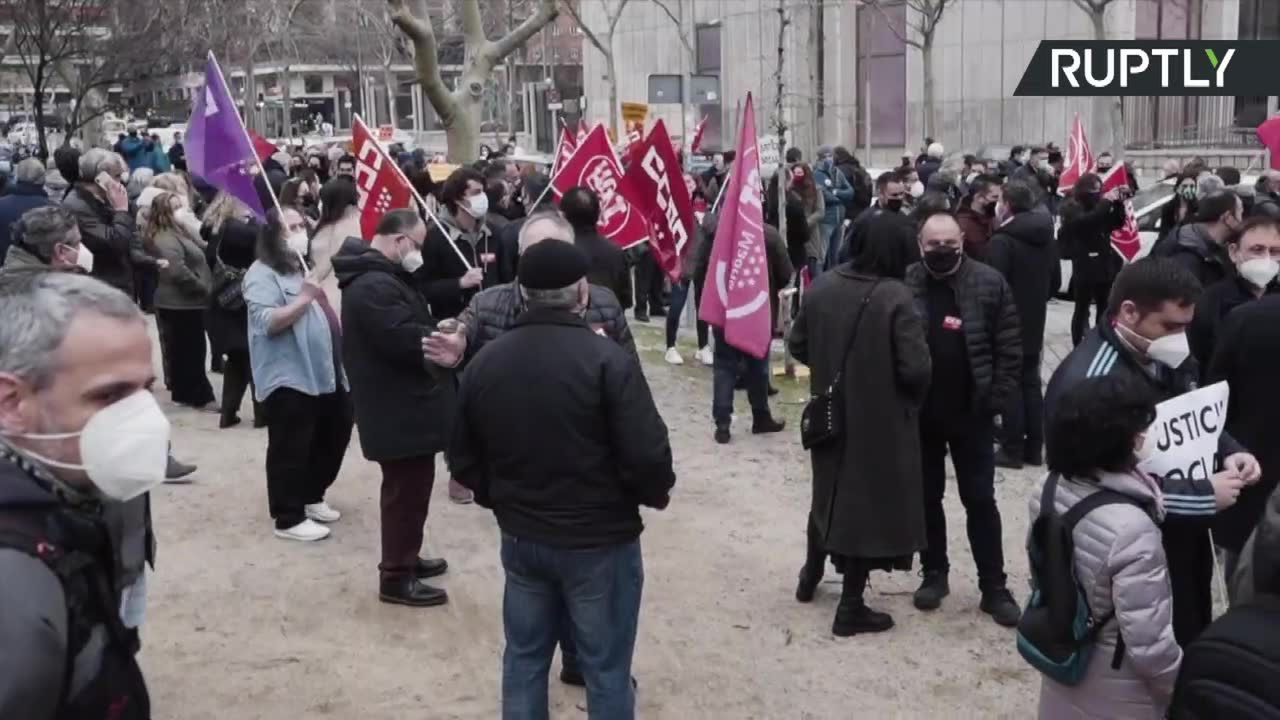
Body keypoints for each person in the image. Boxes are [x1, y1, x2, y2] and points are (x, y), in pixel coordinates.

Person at [449, 238, 675, 720]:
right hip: (599, 541)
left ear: (522, 294)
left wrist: (502, 499)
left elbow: (462, 457)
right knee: (606, 668)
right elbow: (646, 451)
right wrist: (651, 494)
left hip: (525, 536)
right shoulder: (605, 359)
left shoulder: (485, 362)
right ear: (581, 294)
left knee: (525, 660)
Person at [1044, 257, 1261, 646]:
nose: (1181, 338)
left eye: (1186, 326)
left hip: (1184, 538)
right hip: (1136, 551)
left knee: (1191, 623)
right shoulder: (1091, 385)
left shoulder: (1164, 353)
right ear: (1129, 312)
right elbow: (1095, 488)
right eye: (1171, 326)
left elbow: (1191, 408)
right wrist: (1202, 497)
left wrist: (1227, 449)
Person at [0, 272, 157, 718]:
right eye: (111, 395)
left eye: (146, 390)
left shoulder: (72, 491)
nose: (142, 418)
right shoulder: (13, 588)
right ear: (12, 403)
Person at [788, 225, 930, 636]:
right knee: (865, 510)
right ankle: (850, 606)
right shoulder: (895, 297)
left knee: (826, 495)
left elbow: (798, 343)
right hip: (881, 422)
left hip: (829, 413)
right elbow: (916, 368)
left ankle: (810, 575)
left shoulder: (824, 286)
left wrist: (832, 368)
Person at [1030, 375, 1181, 719]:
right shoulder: (1133, 528)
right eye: (1138, 430)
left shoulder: (1047, 487)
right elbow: (1149, 644)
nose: (1144, 437)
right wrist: (1177, 683)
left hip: (1064, 660)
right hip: (1120, 689)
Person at [904, 211, 1023, 626]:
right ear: (920, 245)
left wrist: (996, 400)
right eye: (933, 245)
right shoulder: (907, 283)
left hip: (972, 414)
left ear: (962, 242)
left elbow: (1010, 348)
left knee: (980, 500)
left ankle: (994, 587)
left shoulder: (990, 283)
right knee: (925, 498)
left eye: (949, 244)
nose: (941, 251)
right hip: (921, 415)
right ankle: (934, 573)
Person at [331, 209, 455, 607]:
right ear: (399, 241)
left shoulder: (384, 277)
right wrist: (442, 335)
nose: (419, 253)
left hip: (405, 403)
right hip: (395, 406)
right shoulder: (372, 285)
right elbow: (401, 338)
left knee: (414, 490)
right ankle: (396, 576)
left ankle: (407, 555)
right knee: (404, 492)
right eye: (417, 245)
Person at [243, 208, 353, 542]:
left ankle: (311, 494)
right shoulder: (262, 274)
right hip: (289, 373)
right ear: (273, 236)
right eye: (290, 228)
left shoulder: (297, 268)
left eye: (301, 225)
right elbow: (268, 322)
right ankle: (288, 516)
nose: (299, 231)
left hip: (323, 371)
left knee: (335, 430)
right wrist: (305, 298)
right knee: (290, 444)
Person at [1207, 287, 1280, 588]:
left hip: (1253, 482)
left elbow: (1215, 403)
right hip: (1252, 478)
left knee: (1247, 596)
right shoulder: (1249, 318)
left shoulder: (1247, 318)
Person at [986, 179, 1058, 469]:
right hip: (1034, 320)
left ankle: (1012, 447)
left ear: (1008, 205)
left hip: (1007, 322)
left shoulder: (1003, 241)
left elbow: (993, 287)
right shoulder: (1045, 236)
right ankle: (1034, 447)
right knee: (1030, 382)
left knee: (1010, 385)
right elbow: (1056, 281)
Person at [144, 192, 215, 410]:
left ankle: (186, 392)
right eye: (175, 207)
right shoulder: (165, 237)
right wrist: (203, 288)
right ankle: (197, 395)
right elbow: (178, 271)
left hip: (187, 301)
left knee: (187, 349)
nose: (181, 210)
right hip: (181, 302)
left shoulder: (179, 231)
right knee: (190, 350)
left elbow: (202, 246)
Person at [1188, 216, 1280, 372]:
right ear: (1234, 252)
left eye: (1275, 251)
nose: (1266, 259)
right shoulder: (1209, 302)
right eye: (1257, 250)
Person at [202, 193, 263, 429]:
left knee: (236, 360)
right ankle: (262, 413)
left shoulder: (214, 229)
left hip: (223, 299)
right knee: (254, 358)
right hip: (243, 300)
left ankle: (228, 412)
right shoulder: (243, 232)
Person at [1058, 172, 1127, 346]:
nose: (1098, 194)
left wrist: (1119, 204)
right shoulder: (1072, 207)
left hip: (1104, 263)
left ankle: (1100, 342)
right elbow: (1088, 221)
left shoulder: (1100, 205)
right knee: (1081, 308)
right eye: (1094, 190)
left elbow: (1116, 223)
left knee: (1104, 307)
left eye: (1100, 190)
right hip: (1084, 265)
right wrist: (1107, 201)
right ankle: (1077, 344)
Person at [416, 167, 490, 319]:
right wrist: (459, 283)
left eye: (483, 192)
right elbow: (423, 288)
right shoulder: (434, 236)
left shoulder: (492, 233)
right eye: (476, 193)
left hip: (491, 321)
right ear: (457, 198)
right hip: (452, 323)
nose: (482, 197)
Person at [62, 149, 137, 297]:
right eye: (116, 176)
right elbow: (115, 243)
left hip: (118, 281)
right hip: (101, 286)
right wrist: (121, 209)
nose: (120, 182)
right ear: (100, 178)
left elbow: (133, 231)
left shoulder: (106, 198)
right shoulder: (77, 205)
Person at [1153, 190, 1243, 290]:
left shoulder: (1217, 247)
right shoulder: (1186, 259)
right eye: (1240, 212)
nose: (1242, 220)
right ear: (1227, 217)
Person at [562, 186, 632, 312]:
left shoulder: (556, 251)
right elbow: (624, 301)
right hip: (606, 324)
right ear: (598, 214)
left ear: (563, 215)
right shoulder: (616, 253)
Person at [839, 170, 916, 271]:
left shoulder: (905, 220)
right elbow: (846, 254)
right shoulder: (864, 220)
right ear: (881, 194)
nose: (899, 198)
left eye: (901, 194)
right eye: (894, 195)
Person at [308, 177, 362, 312]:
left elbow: (325, 266)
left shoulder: (344, 226)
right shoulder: (352, 222)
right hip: (342, 296)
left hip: (331, 296)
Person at [0, 158, 51, 267]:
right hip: (41, 275)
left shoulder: (2, 204)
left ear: (17, 177)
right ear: (43, 179)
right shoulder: (54, 210)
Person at [814, 145, 854, 270]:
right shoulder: (817, 174)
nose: (829, 159)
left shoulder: (837, 172)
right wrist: (841, 199)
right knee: (822, 256)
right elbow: (825, 196)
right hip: (826, 220)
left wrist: (836, 193)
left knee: (836, 255)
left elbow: (850, 191)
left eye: (830, 156)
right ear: (820, 158)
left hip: (839, 220)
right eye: (825, 156)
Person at [954, 174, 1001, 261]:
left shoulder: (992, 217)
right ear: (979, 197)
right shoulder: (963, 225)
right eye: (995, 197)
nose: (999, 201)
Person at [790, 162, 825, 273]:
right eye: (795, 173)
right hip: (793, 234)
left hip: (811, 234)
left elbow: (820, 211)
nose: (797, 175)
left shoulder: (816, 189)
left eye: (800, 172)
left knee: (812, 266)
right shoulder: (789, 189)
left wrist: (805, 223)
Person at [833, 146, 872, 219]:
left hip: (848, 212)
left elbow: (836, 193)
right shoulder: (861, 169)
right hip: (863, 210)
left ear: (836, 157)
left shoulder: (839, 171)